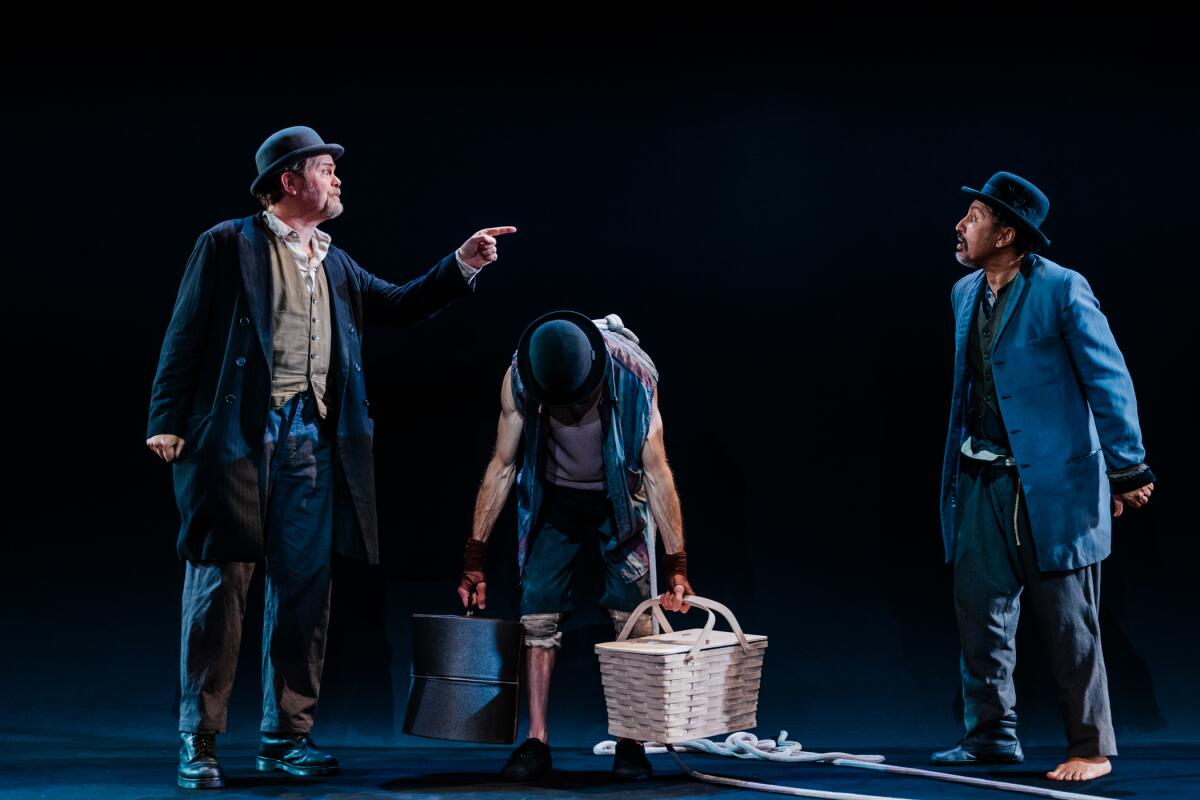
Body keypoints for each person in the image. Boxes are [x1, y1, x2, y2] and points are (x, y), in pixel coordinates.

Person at [147, 125, 515, 789]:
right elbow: (186, 331)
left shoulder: (334, 261)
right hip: (235, 440)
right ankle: (198, 740)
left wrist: (461, 264)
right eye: (325, 168)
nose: (338, 179)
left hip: (311, 443)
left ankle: (285, 737)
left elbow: (399, 305)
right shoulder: (229, 244)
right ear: (291, 180)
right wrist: (167, 419)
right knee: (219, 594)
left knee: (304, 593)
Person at [934, 171, 1155, 782]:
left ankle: (1090, 747)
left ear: (1007, 232)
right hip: (982, 475)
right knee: (979, 611)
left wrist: (1125, 467)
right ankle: (990, 739)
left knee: (1068, 619)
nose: (961, 226)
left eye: (975, 216)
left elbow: (1107, 380)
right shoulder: (964, 293)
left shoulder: (1062, 289)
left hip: (1055, 482)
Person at [457, 311, 693, 781]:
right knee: (537, 614)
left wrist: (676, 564)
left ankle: (632, 739)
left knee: (634, 616)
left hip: (618, 499)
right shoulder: (522, 377)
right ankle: (536, 739)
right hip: (554, 499)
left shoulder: (634, 375)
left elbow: (656, 470)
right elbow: (503, 465)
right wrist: (475, 557)